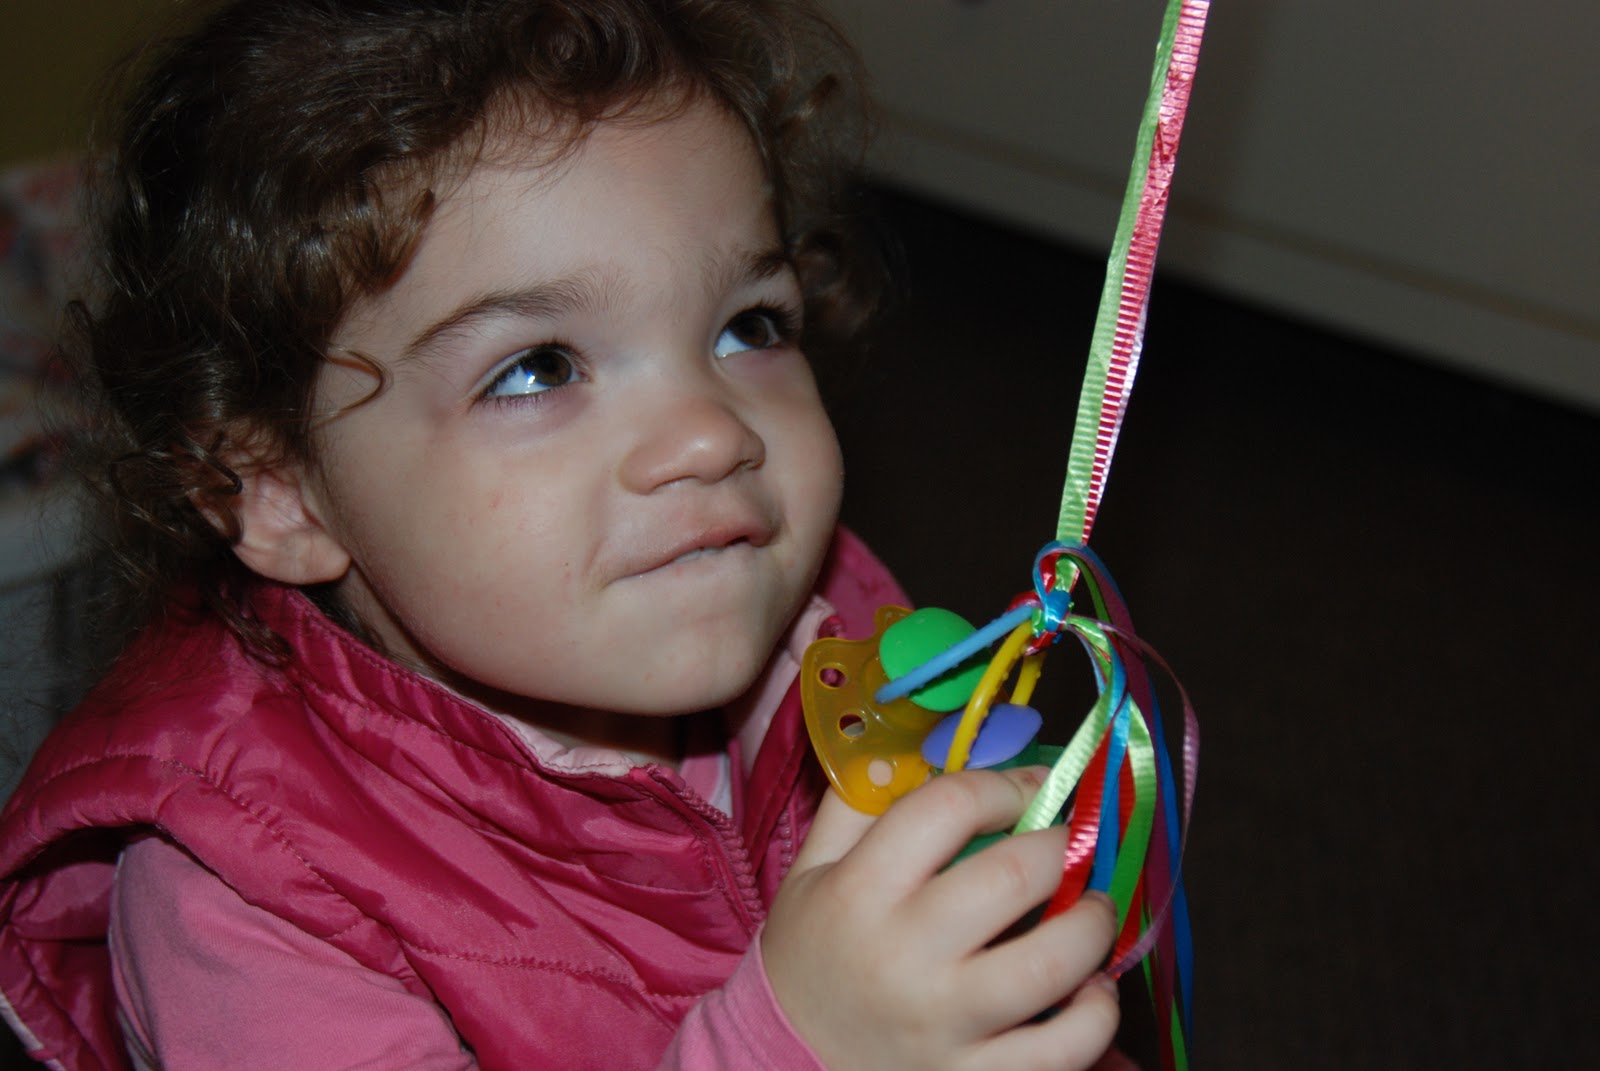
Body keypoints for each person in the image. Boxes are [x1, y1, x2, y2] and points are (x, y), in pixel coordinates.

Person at [0, 2, 1123, 1068]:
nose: (712, 433)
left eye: (748, 326)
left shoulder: (838, 646)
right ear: (280, 493)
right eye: (537, 368)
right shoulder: (243, 906)